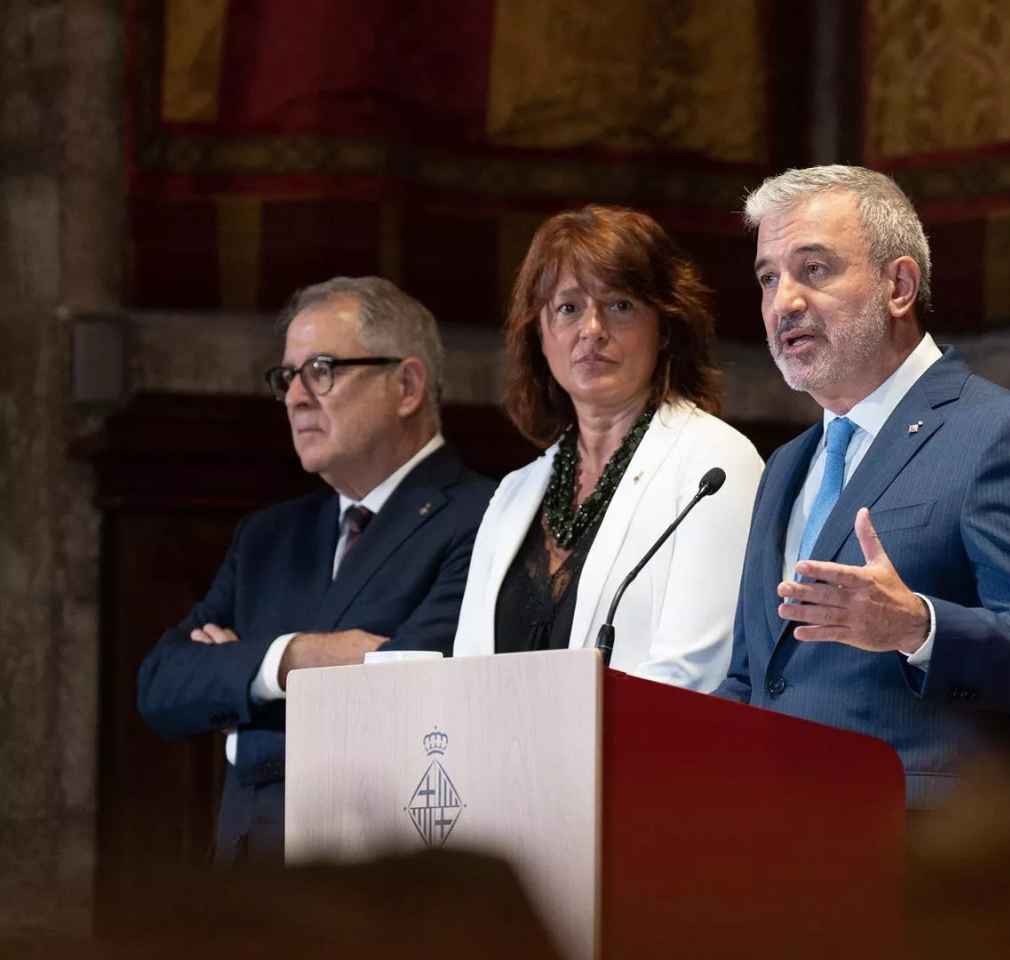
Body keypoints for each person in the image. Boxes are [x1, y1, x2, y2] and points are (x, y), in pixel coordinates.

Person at [716, 164, 1010, 809]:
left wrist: (918, 626)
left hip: (925, 858)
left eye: (815, 270)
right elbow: (756, 677)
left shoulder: (1004, 433)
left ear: (898, 285)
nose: (784, 302)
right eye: (769, 278)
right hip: (779, 843)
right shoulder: (785, 466)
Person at [137, 277, 496, 862]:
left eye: (322, 370)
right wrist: (293, 659)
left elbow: (403, 711)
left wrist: (238, 719)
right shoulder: (267, 538)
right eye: (287, 377)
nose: (296, 397)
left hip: (376, 890)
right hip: (249, 891)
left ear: (406, 385)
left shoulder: (485, 518)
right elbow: (160, 686)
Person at [452, 205, 762, 690]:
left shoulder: (714, 463)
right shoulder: (515, 494)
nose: (592, 329)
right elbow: (467, 674)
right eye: (569, 308)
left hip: (647, 762)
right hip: (505, 764)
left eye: (619, 305)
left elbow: (695, 673)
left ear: (665, 327)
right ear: (540, 333)